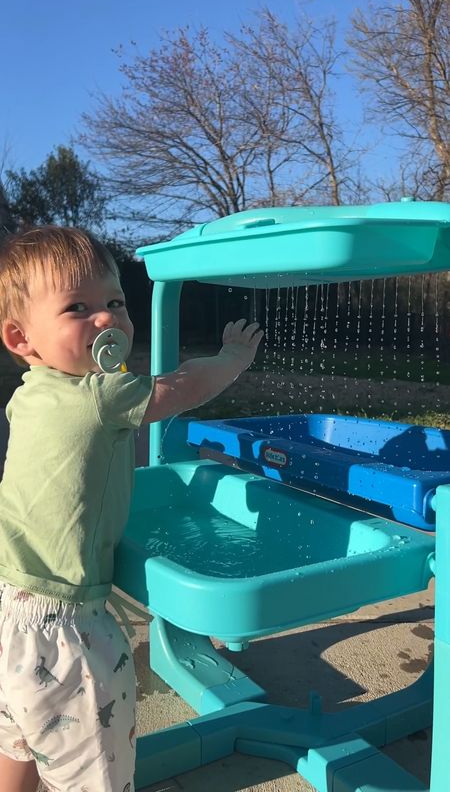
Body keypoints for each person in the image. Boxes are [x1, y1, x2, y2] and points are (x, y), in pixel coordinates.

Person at [0, 225, 263, 792]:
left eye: (115, 302)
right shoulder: (98, 396)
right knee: (96, 768)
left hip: (7, 608)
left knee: (18, 737)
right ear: (21, 337)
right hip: (65, 623)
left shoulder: (30, 393)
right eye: (78, 308)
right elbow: (181, 387)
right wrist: (231, 359)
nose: (106, 320)